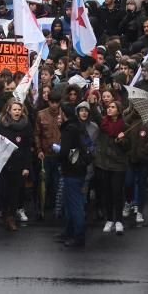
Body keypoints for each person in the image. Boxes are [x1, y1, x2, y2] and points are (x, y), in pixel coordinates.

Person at [0, 100, 32, 231]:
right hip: (4, 164)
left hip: (19, 164)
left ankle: (11, 217)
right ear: (9, 111)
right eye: (14, 109)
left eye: (19, 110)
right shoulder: (2, 125)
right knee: (4, 191)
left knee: (15, 193)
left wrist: (27, 166)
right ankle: (4, 214)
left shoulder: (26, 125)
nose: (17, 112)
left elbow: (28, 147)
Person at [58, 102, 89, 248]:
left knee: (75, 205)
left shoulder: (69, 129)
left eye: (60, 113)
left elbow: (65, 152)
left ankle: (78, 236)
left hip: (72, 172)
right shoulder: (77, 127)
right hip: (79, 170)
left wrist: (58, 153)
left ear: (64, 114)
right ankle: (69, 232)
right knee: (69, 204)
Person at [96, 100, 129, 235]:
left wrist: (123, 140)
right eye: (108, 107)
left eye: (113, 107)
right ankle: (109, 219)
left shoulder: (124, 126)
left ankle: (119, 221)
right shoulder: (103, 124)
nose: (109, 109)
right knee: (107, 192)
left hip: (118, 164)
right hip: (104, 163)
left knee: (117, 192)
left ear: (118, 110)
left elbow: (128, 147)